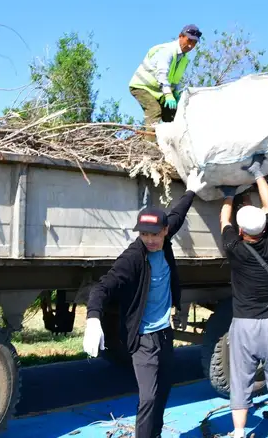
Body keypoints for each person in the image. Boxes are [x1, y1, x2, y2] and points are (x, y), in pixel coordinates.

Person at [83, 168, 207, 438]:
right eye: (144, 234)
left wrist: (191, 191)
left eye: (155, 234)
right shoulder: (134, 257)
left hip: (165, 333)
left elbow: (177, 214)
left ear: (164, 231)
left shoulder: (166, 238)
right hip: (143, 338)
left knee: (163, 392)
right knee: (148, 397)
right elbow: (104, 286)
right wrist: (93, 318)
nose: (149, 240)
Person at [218, 155, 268, 438]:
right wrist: (258, 173)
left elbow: (223, 218)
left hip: (245, 324)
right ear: (264, 226)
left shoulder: (234, 248)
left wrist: (228, 195)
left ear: (240, 231)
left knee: (241, 378)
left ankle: (239, 432)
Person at [128, 24, 202, 126]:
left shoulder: (184, 59)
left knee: (174, 114)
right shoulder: (167, 50)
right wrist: (168, 95)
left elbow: (176, 80)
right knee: (154, 110)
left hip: (158, 91)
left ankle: (170, 140)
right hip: (142, 87)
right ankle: (149, 142)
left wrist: (176, 94)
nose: (191, 46)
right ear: (180, 36)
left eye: (194, 43)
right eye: (189, 40)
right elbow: (162, 74)